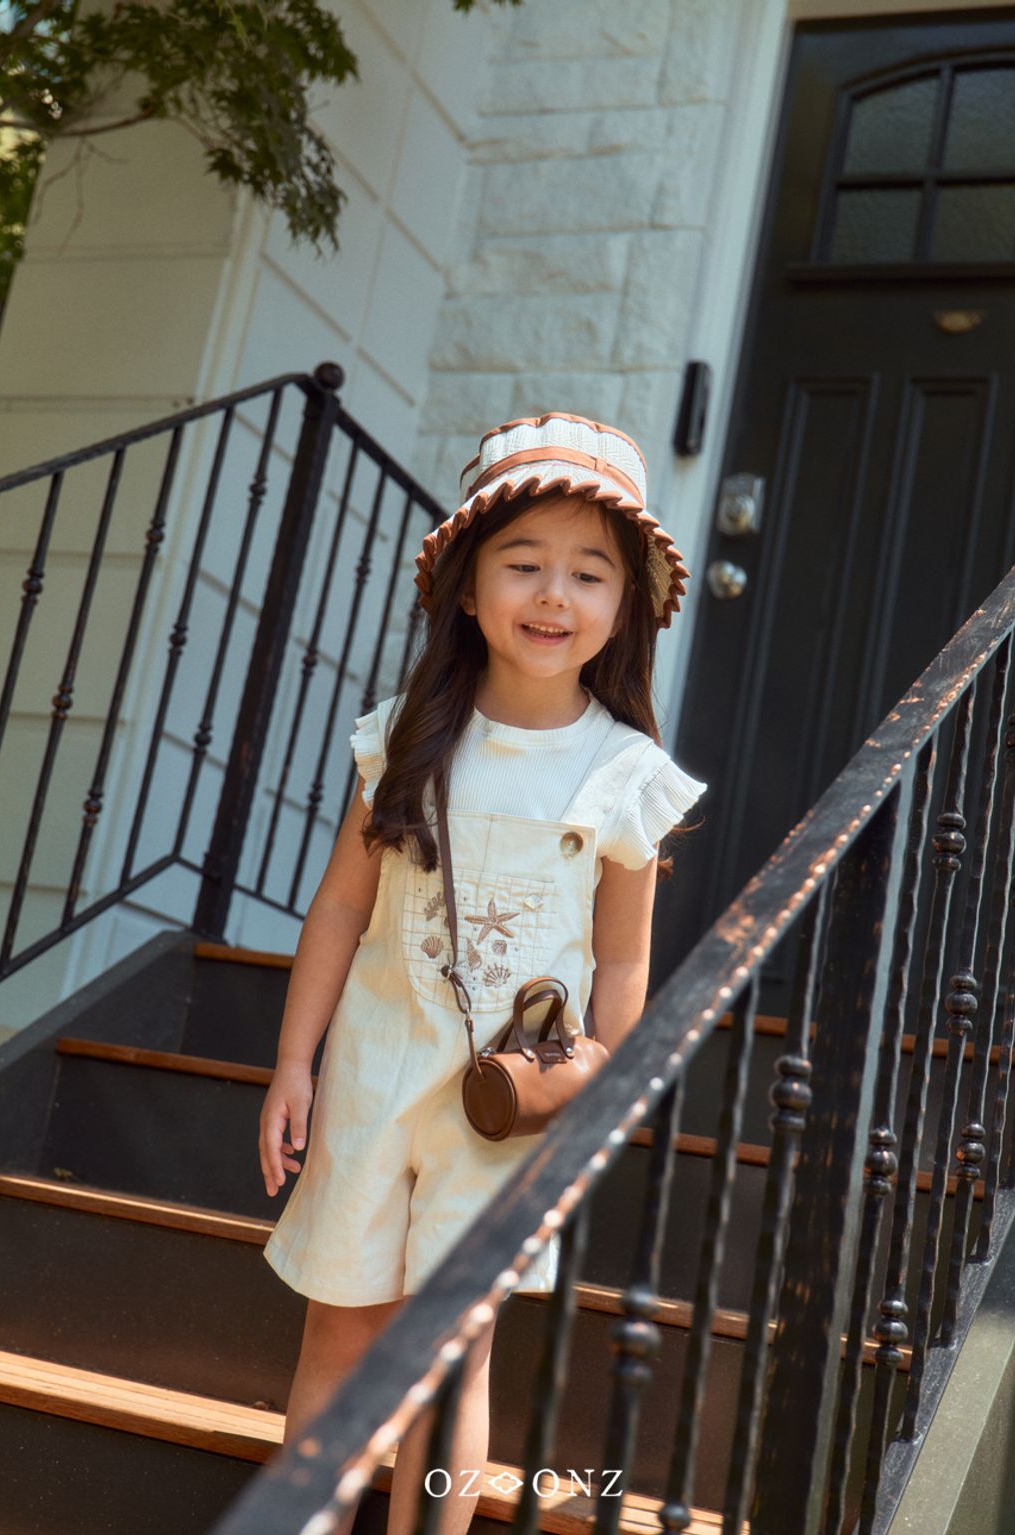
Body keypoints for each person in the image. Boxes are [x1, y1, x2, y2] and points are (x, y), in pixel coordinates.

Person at [258, 412, 708, 1535]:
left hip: (507, 1110)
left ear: (625, 606)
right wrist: (294, 1061)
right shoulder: (402, 738)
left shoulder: (624, 773)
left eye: (589, 572)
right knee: (340, 1326)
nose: (554, 594)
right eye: (523, 562)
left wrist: (603, 1098)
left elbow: (622, 955)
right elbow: (340, 907)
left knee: (454, 1350)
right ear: (467, 587)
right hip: (371, 1076)